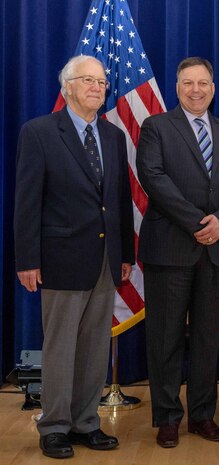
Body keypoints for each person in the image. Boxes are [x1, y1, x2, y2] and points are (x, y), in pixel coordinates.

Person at [14, 55, 134, 459]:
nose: (97, 87)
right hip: (60, 256)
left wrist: (125, 254)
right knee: (61, 348)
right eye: (88, 81)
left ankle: (86, 423)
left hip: (105, 258)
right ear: (66, 87)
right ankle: (54, 427)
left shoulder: (114, 137)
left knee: (95, 347)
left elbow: (118, 201)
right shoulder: (40, 132)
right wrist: (27, 258)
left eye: (102, 82)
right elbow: (27, 202)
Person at [136, 57, 219, 448]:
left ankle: (202, 415)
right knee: (165, 338)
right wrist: (199, 222)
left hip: (216, 250)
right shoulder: (156, 127)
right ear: (177, 87)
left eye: (203, 83)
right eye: (189, 83)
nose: (197, 90)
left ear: (213, 88)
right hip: (170, 249)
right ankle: (168, 417)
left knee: (207, 339)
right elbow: (153, 178)